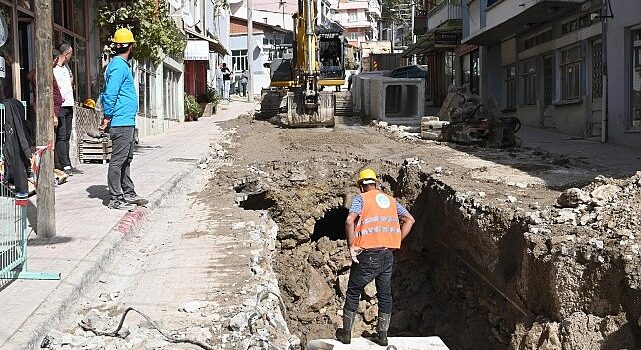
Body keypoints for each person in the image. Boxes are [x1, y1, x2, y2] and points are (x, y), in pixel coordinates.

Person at [335, 168, 415, 346]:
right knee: (385, 295)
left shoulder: (361, 199)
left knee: (354, 291)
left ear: (362, 186)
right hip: (387, 255)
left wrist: (352, 246)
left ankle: (346, 334)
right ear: (376, 184)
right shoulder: (390, 200)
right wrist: (396, 242)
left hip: (368, 255)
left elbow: (349, 220)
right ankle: (383, 336)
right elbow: (410, 220)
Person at [99, 28, 148, 209]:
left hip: (125, 120)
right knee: (118, 160)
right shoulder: (119, 66)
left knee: (126, 159)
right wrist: (107, 116)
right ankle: (115, 198)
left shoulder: (119, 65)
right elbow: (110, 93)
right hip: (120, 121)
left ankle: (128, 192)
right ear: (131, 46)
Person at [53, 43, 82, 175]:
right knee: (62, 135)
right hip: (60, 106)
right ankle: (64, 165)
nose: (71, 56)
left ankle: (68, 163)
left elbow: (70, 81)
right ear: (66, 54)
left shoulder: (66, 68)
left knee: (67, 134)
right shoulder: (53, 68)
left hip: (69, 104)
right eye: (70, 54)